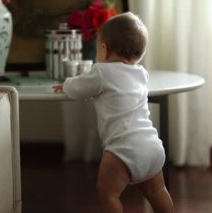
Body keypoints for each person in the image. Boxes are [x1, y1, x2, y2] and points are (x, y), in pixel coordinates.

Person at [53, 12, 174, 213]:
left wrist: (65, 84)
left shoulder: (102, 71)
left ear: (104, 49)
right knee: (156, 189)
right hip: (151, 144)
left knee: (108, 193)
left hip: (122, 148)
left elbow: (77, 88)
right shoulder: (141, 74)